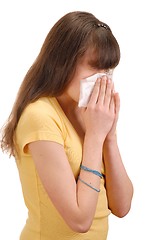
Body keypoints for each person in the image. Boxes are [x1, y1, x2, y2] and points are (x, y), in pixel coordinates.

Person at [0, 11, 133, 240]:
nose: (103, 79)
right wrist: (94, 136)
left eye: (108, 70)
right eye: (94, 67)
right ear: (63, 63)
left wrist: (109, 136)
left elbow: (121, 207)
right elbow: (79, 220)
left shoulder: (87, 114)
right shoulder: (40, 116)